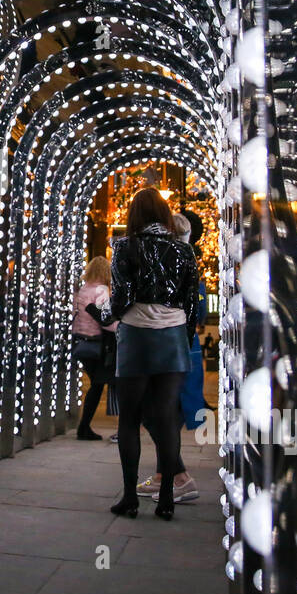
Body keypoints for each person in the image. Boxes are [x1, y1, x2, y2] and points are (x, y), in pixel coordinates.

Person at [88, 188, 198, 520]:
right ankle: (166, 499)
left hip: (136, 338)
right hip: (173, 337)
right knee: (166, 419)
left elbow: (121, 299)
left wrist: (103, 315)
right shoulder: (183, 250)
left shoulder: (124, 247)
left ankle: (130, 498)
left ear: (134, 215)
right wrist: (181, 334)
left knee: (130, 419)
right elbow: (191, 303)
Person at [132, 213, 204, 503]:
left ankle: (181, 477)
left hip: (172, 345)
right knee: (165, 413)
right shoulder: (180, 262)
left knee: (156, 411)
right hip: (177, 345)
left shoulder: (176, 264)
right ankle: (166, 475)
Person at [71, 256, 116, 440]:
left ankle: (84, 426)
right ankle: (84, 427)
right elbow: (106, 322)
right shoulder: (101, 290)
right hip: (96, 342)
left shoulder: (82, 290)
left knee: (96, 384)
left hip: (80, 340)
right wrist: (121, 326)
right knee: (98, 384)